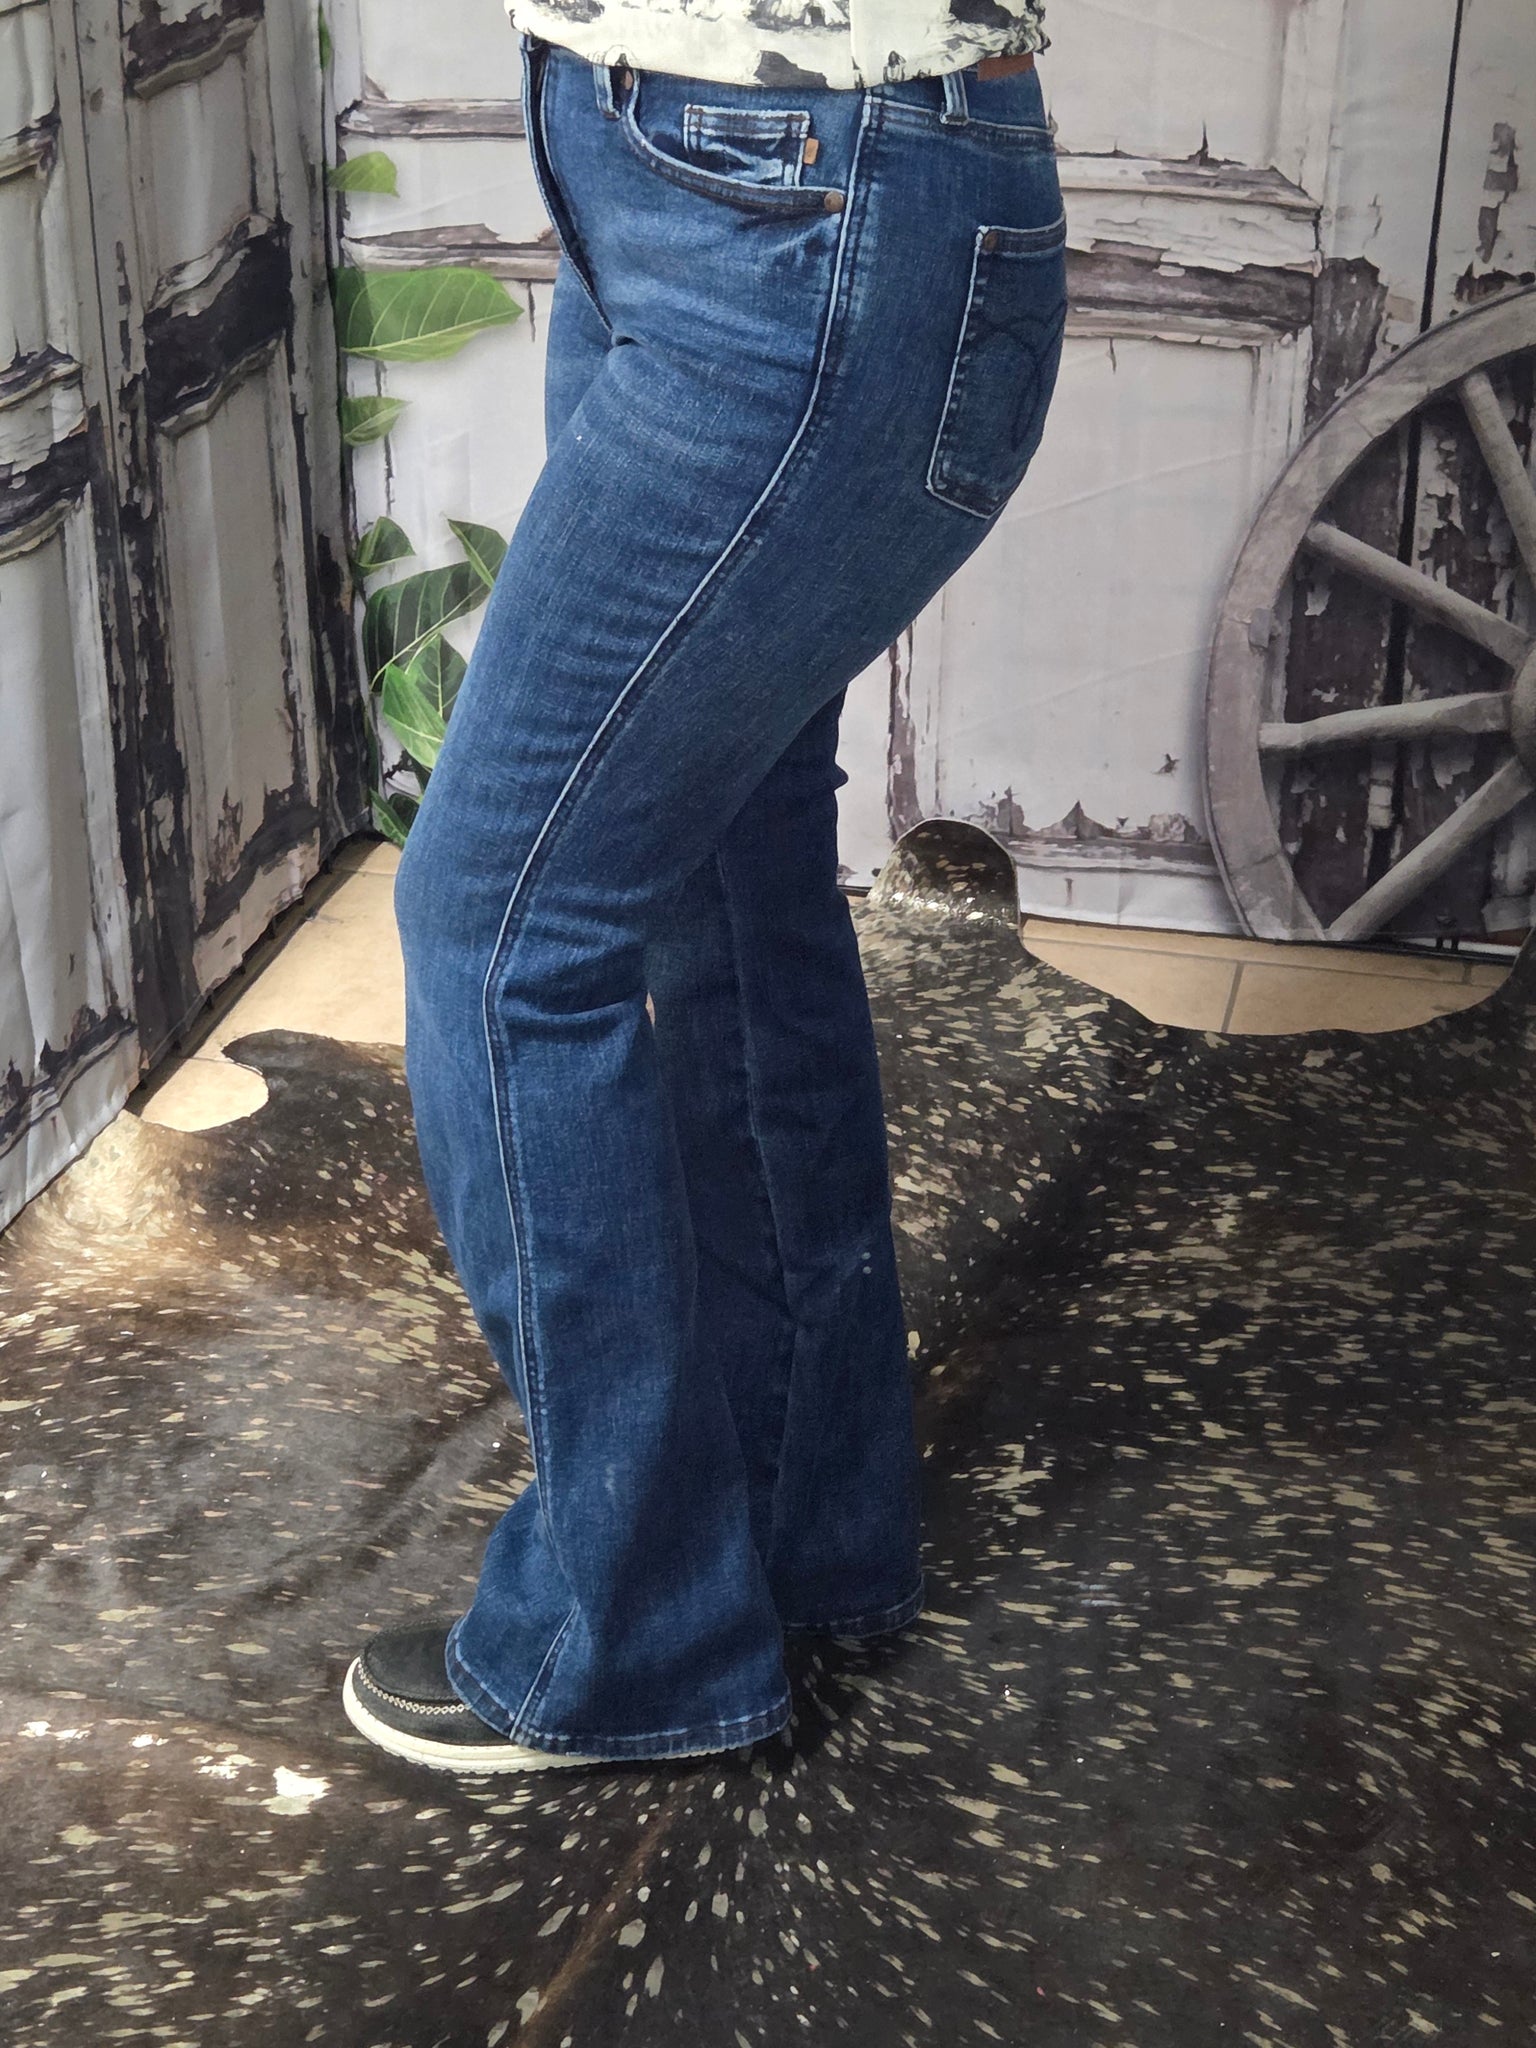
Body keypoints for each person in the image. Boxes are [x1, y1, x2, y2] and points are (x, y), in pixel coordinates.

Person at [341, 0, 1066, 1772]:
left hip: (803, 205)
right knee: (722, 870)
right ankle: (799, 1528)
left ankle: (631, 1636)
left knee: (502, 926)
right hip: (679, 169)